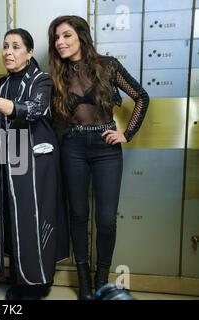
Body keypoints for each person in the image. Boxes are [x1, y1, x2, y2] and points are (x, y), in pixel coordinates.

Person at [47, 15, 150, 300]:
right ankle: (83, 284)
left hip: (106, 148)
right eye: (56, 38)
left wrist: (126, 135)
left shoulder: (108, 65)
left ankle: (101, 280)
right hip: (73, 147)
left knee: (106, 220)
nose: (60, 42)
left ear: (81, 36)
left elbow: (141, 96)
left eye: (66, 35)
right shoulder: (57, 74)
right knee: (78, 215)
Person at [0, 28, 69, 300]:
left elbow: (34, 110)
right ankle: (19, 277)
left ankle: (38, 281)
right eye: (5, 46)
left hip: (36, 162)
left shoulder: (42, 80)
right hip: (10, 160)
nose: (8, 52)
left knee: (35, 218)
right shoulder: (2, 83)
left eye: (15, 47)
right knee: (14, 219)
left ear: (28, 53)